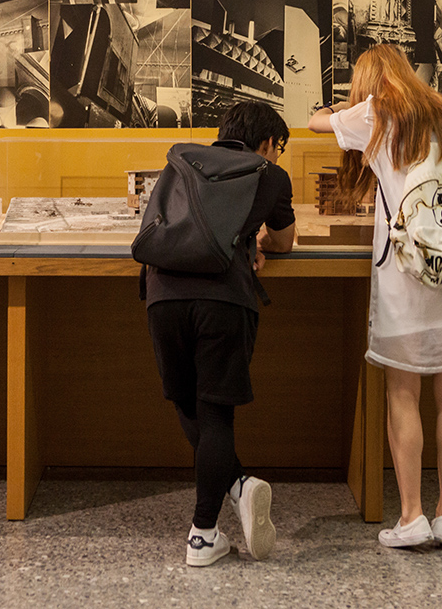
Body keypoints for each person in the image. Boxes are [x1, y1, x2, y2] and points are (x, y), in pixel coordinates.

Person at [308, 43, 442, 548]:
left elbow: (317, 125)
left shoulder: (379, 115)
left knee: (403, 393)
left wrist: (339, 108)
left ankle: (411, 518)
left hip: (408, 278)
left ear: (369, 82)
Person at [144, 100, 296, 567]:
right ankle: (203, 534)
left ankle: (239, 486)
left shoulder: (182, 160)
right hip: (222, 301)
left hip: (162, 294)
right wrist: (252, 242)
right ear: (269, 143)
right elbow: (285, 239)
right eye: (280, 148)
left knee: (186, 402)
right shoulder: (268, 174)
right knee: (215, 416)